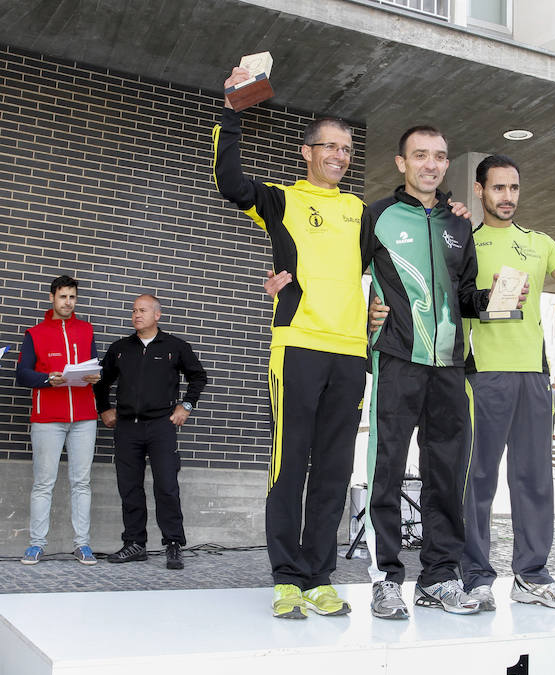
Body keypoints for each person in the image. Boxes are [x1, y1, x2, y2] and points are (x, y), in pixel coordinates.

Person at [370, 153, 555, 611]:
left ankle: (532, 575)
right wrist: (375, 311)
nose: (507, 196)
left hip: (533, 376)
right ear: (479, 190)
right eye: (498, 188)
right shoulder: (461, 240)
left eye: (513, 188)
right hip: (479, 376)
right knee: (476, 483)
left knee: (535, 481)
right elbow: (439, 299)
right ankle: (475, 577)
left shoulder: (539, 242)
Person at [212, 64, 368, 619]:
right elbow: (230, 182)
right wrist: (232, 113)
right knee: (289, 465)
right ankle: (286, 578)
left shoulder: (360, 212)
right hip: (298, 345)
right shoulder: (281, 200)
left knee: (333, 470)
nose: (339, 156)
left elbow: (396, 256)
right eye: (330, 146)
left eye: (347, 149)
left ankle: (319, 577)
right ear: (307, 152)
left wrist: (452, 211)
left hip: (350, 353)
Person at [364, 126, 505, 620]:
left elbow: (464, 295)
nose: (431, 164)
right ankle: (385, 579)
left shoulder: (459, 224)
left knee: (446, 475)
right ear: (401, 163)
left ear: (447, 165)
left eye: (440, 157)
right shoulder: (378, 215)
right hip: (397, 360)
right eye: (420, 155)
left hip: (449, 368)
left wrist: (491, 299)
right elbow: (347, 276)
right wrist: (364, 314)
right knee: (385, 470)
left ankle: (439, 577)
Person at [94, 294, 207, 571]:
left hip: (161, 426)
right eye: (134, 310)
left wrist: (186, 406)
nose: (136, 315)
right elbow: (101, 381)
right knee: (129, 487)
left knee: (166, 485)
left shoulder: (175, 347)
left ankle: (173, 544)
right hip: (127, 428)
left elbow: (198, 376)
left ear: (157, 315)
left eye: (143, 310)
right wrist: (104, 409)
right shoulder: (120, 348)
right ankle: (135, 543)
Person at [15, 275, 101, 566]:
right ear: (52, 297)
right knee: (44, 483)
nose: (68, 302)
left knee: (82, 482)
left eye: (72, 297)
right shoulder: (35, 333)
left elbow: (93, 364)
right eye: (63, 296)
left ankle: (83, 544)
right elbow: (22, 373)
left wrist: (95, 376)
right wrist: (46, 379)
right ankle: (36, 544)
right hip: (47, 418)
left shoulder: (86, 330)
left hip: (84, 417)